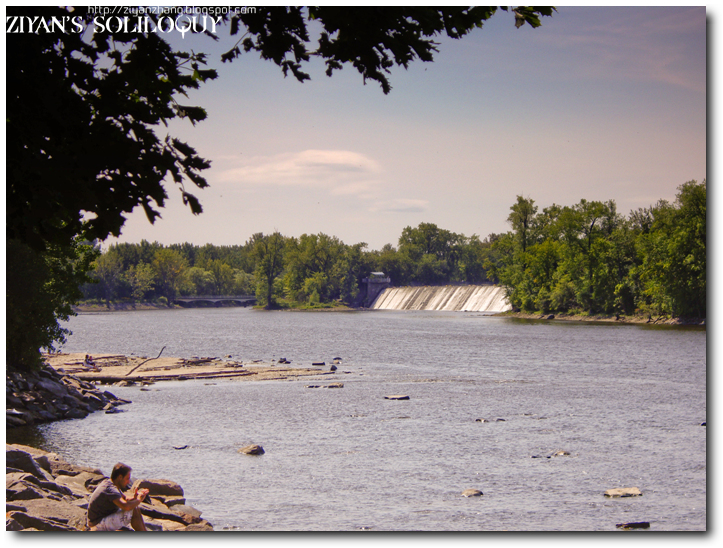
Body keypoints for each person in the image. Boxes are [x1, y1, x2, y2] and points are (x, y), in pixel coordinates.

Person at [87, 463, 150, 531]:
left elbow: (124, 499)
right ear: (120, 477)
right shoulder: (110, 488)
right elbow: (126, 506)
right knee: (133, 509)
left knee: (135, 506)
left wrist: (135, 498)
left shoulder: (111, 483)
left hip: (102, 520)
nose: (129, 482)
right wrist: (138, 500)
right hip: (96, 524)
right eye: (127, 478)